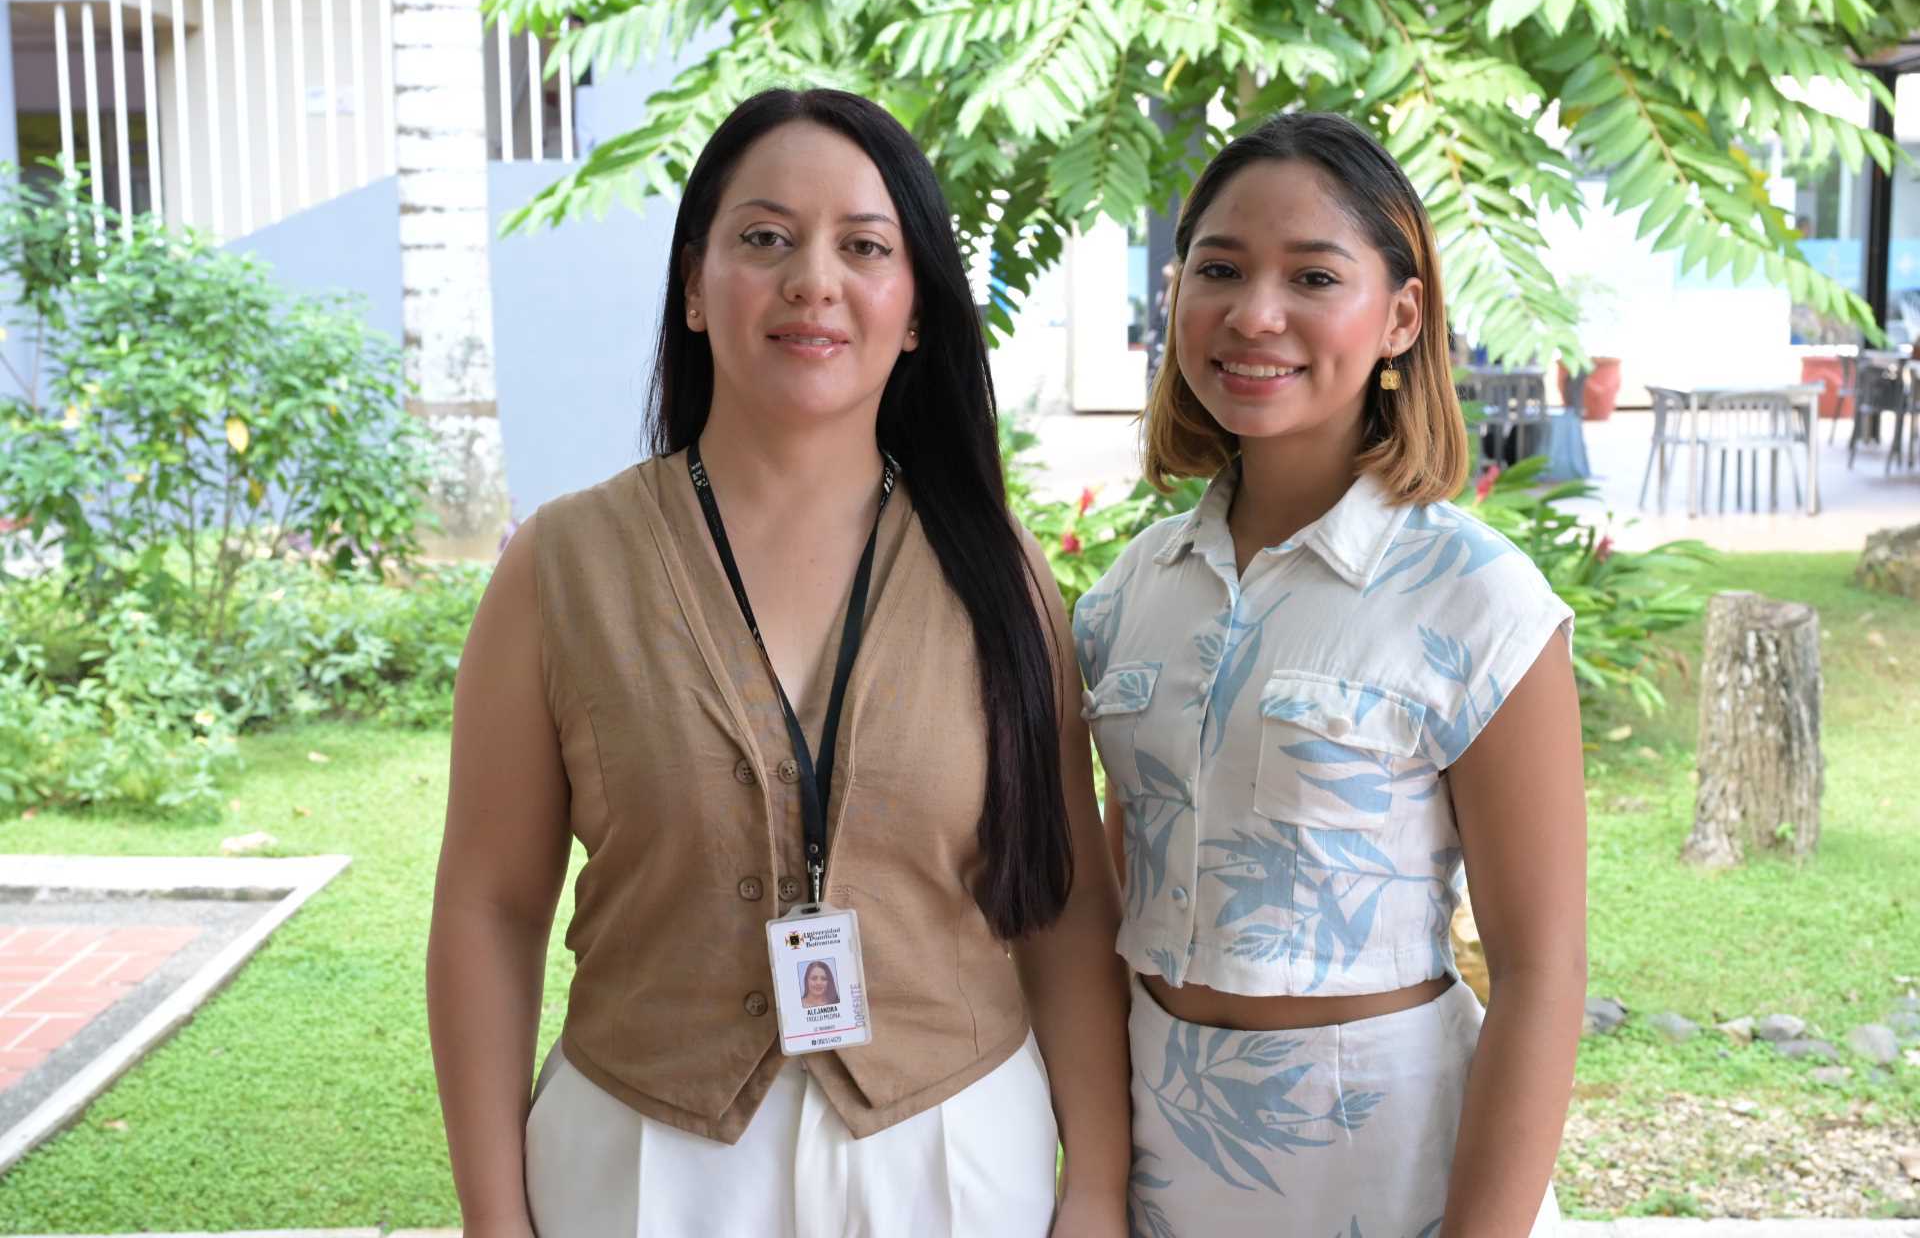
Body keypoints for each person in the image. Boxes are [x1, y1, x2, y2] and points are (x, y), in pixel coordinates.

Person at [428, 88, 1129, 1238]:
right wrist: (493, 1217)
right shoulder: (561, 567)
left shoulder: (999, 573)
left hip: (948, 1156)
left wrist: (1096, 1184)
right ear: (694, 288)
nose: (814, 279)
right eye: (765, 238)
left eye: (865, 246)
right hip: (643, 1162)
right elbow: (490, 908)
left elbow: (1062, 902)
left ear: (916, 309)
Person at [1074, 111, 1585, 1237]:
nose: (1256, 314)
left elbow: (1543, 974)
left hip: (1390, 1168)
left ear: (1401, 315)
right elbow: (1120, 904)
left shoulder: (1478, 599)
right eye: (1219, 269)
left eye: (1313, 276)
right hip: (1162, 1160)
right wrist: (1094, 1182)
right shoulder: (1132, 592)